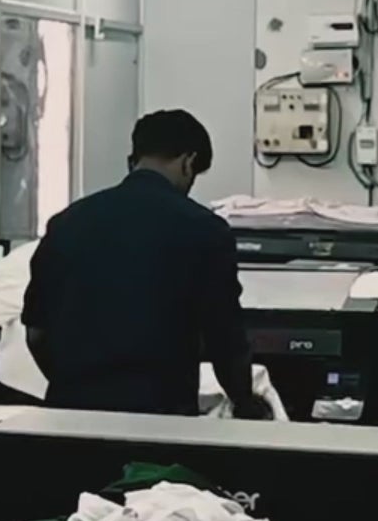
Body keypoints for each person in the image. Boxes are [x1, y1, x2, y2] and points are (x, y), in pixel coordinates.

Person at [23, 108, 264, 418]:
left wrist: (73, 386)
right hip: (160, 419)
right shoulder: (206, 230)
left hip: (70, 418)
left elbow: (36, 333)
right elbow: (224, 339)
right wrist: (244, 402)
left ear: (133, 160)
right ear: (188, 162)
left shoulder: (66, 223)